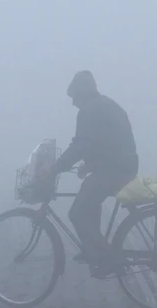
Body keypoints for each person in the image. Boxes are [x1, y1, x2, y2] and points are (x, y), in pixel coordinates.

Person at [42, 70, 139, 277]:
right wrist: (90, 164)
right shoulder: (105, 104)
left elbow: (80, 145)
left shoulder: (89, 110)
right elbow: (103, 141)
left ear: (81, 94)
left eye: (74, 98)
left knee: (76, 213)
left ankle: (106, 257)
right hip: (122, 166)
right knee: (89, 201)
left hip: (114, 170)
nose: (73, 103)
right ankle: (93, 250)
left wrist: (55, 167)